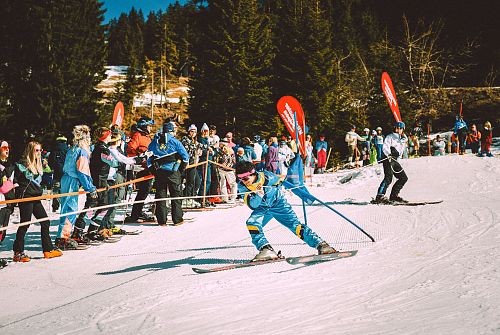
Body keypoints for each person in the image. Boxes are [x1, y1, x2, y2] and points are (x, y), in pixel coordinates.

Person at [235, 161, 336, 261]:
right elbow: (252, 205)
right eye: (240, 179)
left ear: (253, 174)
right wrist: (259, 194)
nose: (244, 181)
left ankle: (321, 245)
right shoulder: (242, 186)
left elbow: (286, 182)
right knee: (252, 223)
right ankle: (266, 249)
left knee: (295, 225)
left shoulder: (268, 177)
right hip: (262, 208)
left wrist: (303, 194)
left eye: (245, 178)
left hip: (278, 205)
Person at [13, 141, 63, 261]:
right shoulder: (23, 163)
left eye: (40, 150)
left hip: (35, 196)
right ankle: (18, 252)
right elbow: (29, 178)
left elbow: (45, 175)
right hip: (26, 197)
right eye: (36, 150)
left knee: (45, 221)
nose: (39, 153)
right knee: (25, 223)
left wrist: (45, 166)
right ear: (31, 151)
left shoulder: (38, 163)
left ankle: (48, 249)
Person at [56, 125, 98, 250]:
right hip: (71, 180)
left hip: (67, 179)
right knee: (70, 209)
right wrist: (90, 188)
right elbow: (83, 171)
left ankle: (63, 235)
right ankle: (63, 237)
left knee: (67, 208)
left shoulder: (72, 149)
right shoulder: (81, 151)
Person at [148, 121, 190, 226]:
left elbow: (149, 157)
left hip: (159, 172)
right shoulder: (175, 142)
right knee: (175, 196)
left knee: (160, 196)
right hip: (173, 172)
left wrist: (153, 170)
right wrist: (181, 170)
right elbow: (185, 157)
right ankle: (177, 219)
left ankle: (162, 221)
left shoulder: (154, 142)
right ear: (171, 131)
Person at [125, 116, 155, 222]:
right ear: (143, 126)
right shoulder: (138, 135)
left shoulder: (147, 137)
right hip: (142, 168)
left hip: (149, 166)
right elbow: (130, 148)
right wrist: (140, 155)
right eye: (149, 126)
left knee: (145, 191)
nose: (150, 128)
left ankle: (138, 211)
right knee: (143, 191)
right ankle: (135, 214)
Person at [373, 121, 409, 204]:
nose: (398, 129)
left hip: (395, 161)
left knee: (403, 178)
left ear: (403, 129)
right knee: (388, 177)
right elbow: (385, 147)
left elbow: (404, 142)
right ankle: (379, 196)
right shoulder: (390, 137)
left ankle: (394, 196)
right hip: (388, 159)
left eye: (400, 128)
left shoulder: (402, 139)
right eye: (397, 128)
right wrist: (388, 154)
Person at [181, 124, 204, 208]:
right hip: (187, 162)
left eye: (195, 132)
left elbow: (200, 145)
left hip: (193, 163)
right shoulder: (185, 139)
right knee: (190, 182)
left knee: (197, 181)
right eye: (192, 131)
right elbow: (186, 151)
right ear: (188, 131)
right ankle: (186, 198)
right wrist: (196, 150)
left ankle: (191, 197)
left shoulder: (194, 140)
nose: (193, 133)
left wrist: (208, 147)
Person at [0, 140, 15, 245]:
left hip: (8, 200)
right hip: (1, 200)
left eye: (8, 147)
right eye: (5, 147)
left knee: (3, 231)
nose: (7, 150)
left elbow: (13, 181)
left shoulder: (10, 164)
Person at [48, 135, 69, 212]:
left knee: (56, 189)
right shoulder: (67, 149)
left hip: (56, 172)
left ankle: (55, 205)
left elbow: (50, 161)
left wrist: (52, 167)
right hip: (65, 172)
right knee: (65, 189)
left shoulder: (54, 150)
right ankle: (64, 205)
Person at [217, 138, 237, 203]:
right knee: (224, 183)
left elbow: (233, 160)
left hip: (227, 169)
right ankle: (226, 198)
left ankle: (230, 198)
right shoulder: (221, 150)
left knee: (230, 183)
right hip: (224, 169)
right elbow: (233, 160)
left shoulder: (229, 150)